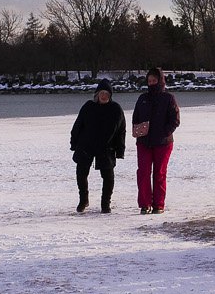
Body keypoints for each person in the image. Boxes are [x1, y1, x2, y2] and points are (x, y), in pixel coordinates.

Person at [69, 78, 126, 213]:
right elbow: (78, 125)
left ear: (110, 95)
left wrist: (120, 150)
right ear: (97, 94)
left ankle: (105, 203)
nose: (104, 96)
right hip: (86, 145)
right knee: (81, 173)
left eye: (107, 93)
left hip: (106, 147)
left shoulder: (116, 109)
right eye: (102, 93)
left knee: (108, 176)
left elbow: (121, 131)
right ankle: (83, 200)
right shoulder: (88, 106)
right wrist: (74, 142)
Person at [131, 66, 180, 214]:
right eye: (149, 80)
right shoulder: (142, 98)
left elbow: (175, 120)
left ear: (160, 81)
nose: (152, 83)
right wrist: (139, 130)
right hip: (144, 142)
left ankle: (158, 205)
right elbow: (136, 117)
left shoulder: (168, 98)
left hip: (163, 143)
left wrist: (165, 132)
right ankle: (145, 204)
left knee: (159, 173)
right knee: (143, 173)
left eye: (154, 80)